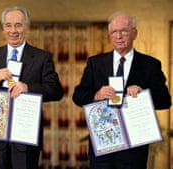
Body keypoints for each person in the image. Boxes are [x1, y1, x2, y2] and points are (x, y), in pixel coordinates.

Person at [72, 12, 171, 169]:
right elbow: (78, 96)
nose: (119, 36)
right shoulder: (95, 63)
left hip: (134, 147)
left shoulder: (150, 64)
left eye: (124, 31)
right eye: (114, 32)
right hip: (103, 142)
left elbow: (165, 100)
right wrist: (96, 95)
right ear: (110, 35)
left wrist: (143, 92)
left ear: (134, 33)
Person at [0, 6, 63, 169]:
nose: (13, 30)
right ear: (3, 28)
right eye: (8, 25)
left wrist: (28, 87)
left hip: (25, 137)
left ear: (27, 27)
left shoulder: (41, 57)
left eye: (18, 25)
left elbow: (56, 90)